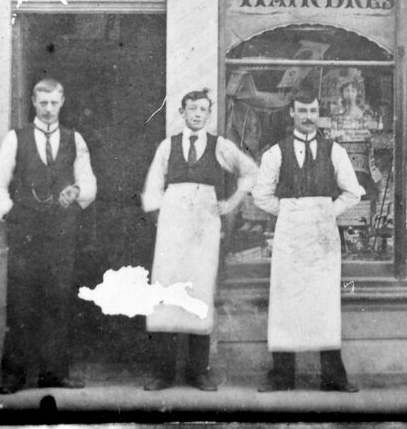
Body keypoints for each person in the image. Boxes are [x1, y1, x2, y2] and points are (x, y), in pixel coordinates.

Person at [141, 87, 257, 392]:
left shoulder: (220, 147)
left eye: (202, 109)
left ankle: (198, 372)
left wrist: (231, 203)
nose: (196, 114)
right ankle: (164, 373)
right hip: (173, 229)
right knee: (167, 292)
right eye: (191, 108)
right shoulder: (167, 146)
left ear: (209, 113)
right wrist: (162, 221)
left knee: (200, 293)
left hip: (204, 229)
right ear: (182, 112)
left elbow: (250, 172)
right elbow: (153, 188)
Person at [0, 77, 97, 394]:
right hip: (26, 232)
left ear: (62, 103)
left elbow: (88, 182)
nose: (49, 109)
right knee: (21, 301)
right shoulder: (15, 138)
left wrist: (77, 191)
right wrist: (12, 214)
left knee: (57, 300)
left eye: (54, 103)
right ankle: (14, 376)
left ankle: (54, 373)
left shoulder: (75, 139)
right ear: (34, 103)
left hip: (61, 230)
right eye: (43, 103)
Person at [252, 88, 364, 392]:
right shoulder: (275, 153)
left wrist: (327, 211)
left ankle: (333, 377)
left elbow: (353, 192)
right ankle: (281, 377)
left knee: (324, 301)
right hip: (290, 234)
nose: (308, 117)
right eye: (302, 111)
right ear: (292, 113)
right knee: (285, 301)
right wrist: (290, 211)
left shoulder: (335, 151)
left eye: (313, 111)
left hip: (322, 235)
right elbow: (260, 195)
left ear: (319, 113)